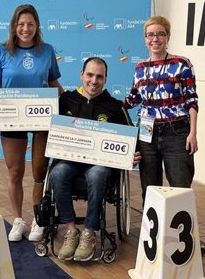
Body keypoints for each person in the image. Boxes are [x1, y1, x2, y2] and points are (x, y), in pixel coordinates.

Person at [52, 57, 140, 261]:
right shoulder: (66, 101)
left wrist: (131, 153)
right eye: (90, 75)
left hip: (99, 163)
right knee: (57, 172)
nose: (94, 80)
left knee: (99, 174)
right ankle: (72, 230)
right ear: (81, 75)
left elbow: (130, 137)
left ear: (106, 79)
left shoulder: (115, 107)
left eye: (99, 76)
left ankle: (89, 232)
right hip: (70, 161)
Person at [0, 4, 63, 243]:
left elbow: (54, 85)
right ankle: (18, 219)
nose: (25, 28)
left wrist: (75, 103)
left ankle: (39, 220)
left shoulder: (47, 51)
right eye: (21, 24)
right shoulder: (0, 52)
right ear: (14, 26)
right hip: (12, 118)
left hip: (42, 118)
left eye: (30, 24)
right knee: (15, 171)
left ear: (36, 26)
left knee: (39, 171)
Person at [125, 15, 198, 199]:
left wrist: (193, 133)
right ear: (145, 39)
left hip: (176, 130)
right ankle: (152, 228)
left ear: (168, 38)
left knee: (180, 187)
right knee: (150, 189)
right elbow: (133, 99)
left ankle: (181, 227)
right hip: (146, 132)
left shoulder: (181, 64)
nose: (155, 39)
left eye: (160, 34)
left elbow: (192, 100)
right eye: (150, 35)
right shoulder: (140, 68)